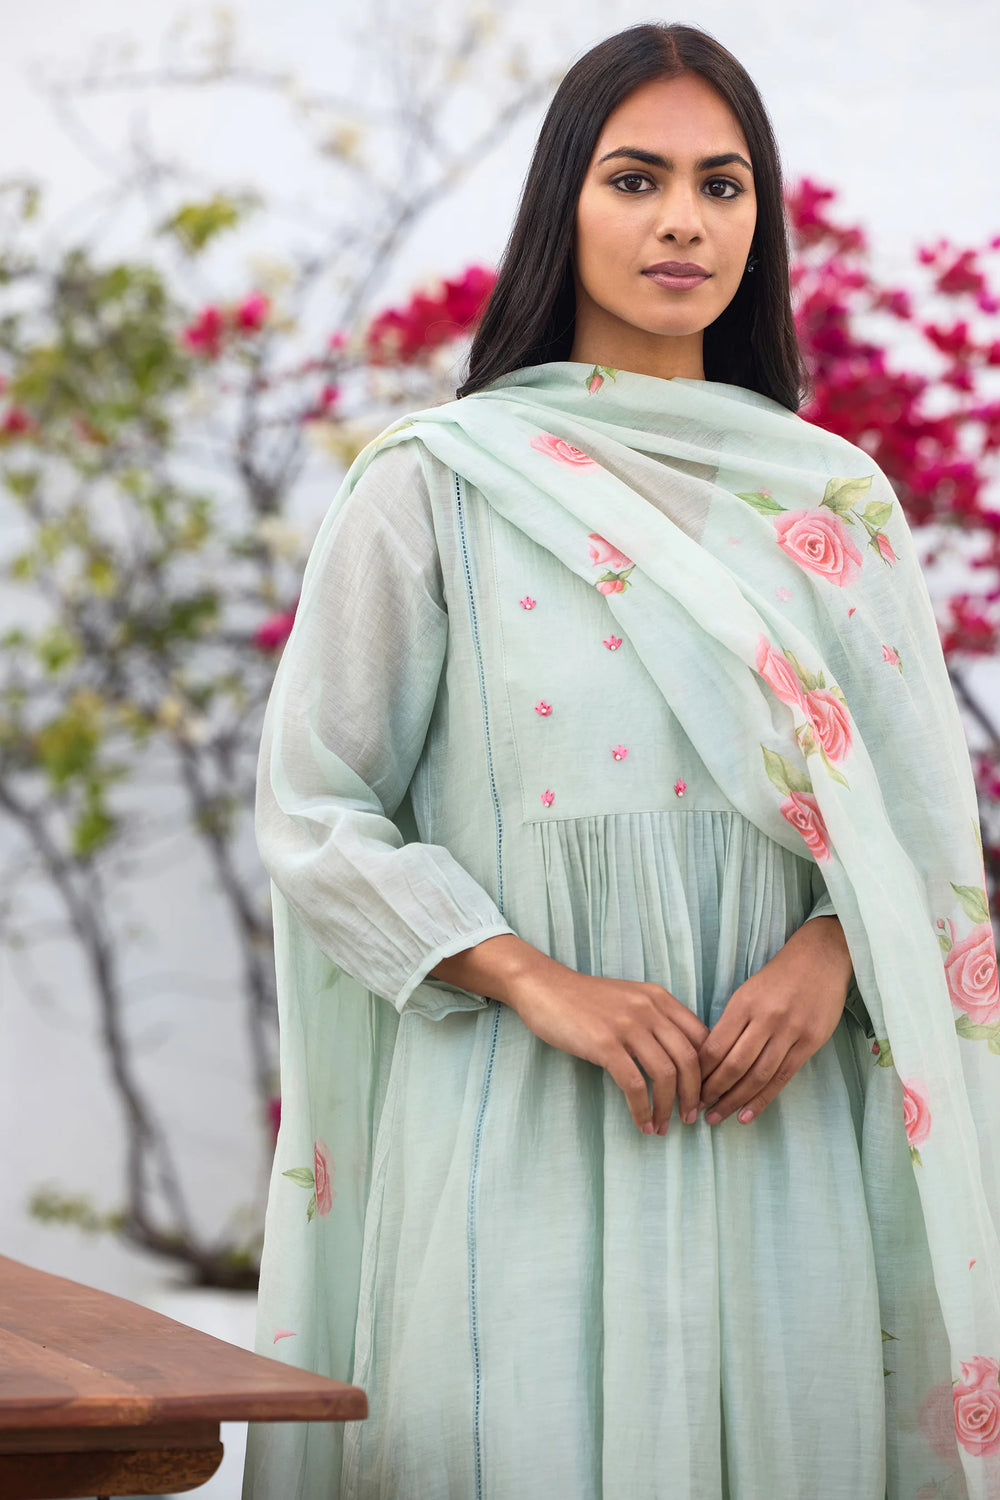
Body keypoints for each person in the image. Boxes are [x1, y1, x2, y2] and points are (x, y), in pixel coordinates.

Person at [243, 22, 1000, 1500]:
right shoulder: (439, 485)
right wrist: (536, 979)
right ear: (564, 207)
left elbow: (924, 835)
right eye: (636, 179)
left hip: (775, 1134)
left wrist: (835, 952)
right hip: (517, 1125)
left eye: (723, 186)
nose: (683, 223)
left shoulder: (829, 504)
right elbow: (315, 809)